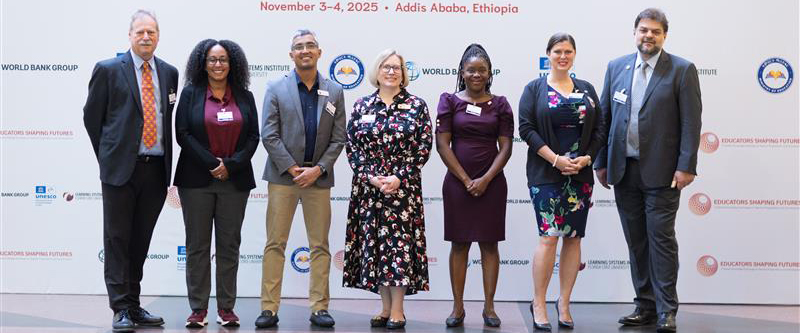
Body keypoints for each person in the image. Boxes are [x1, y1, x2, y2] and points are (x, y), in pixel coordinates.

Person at [595, 8, 701, 333]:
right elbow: (604, 118)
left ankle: (667, 309)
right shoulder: (616, 67)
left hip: (665, 173)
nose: (648, 36)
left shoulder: (682, 70)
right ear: (635, 32)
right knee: (636, 242)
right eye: (643, 30)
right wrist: (600, 160)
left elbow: (690, 123)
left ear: (664, 35)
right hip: (624, 171)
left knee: (661, 241)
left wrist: (687, 166)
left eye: (655, 31)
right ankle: (645, 306)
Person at [82, 10, 177, 332]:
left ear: (158, 36)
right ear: (130, 35)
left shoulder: (169, 73)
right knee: (117, 240)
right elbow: (92, 118)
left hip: (156, 171)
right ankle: (119, 308)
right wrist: (109, 156)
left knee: (140, 242)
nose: (146, 37)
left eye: (151, 32)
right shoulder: (109, 70)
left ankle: (134, 306)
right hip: (120, 171)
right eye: (140, 32)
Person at [256, 29, 346, 329]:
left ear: (319, 52)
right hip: (284, 178)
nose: (304, 50)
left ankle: (319, 307)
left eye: (310, 46)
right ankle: (269, 308)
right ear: (291, 54)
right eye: (298, 47)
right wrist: (293, 168)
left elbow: (338, 138)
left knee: (319, 245)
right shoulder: (275, 87)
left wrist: (317, 169)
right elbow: (268, 133)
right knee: (275, 244)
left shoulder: (334, 91)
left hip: (318, 179)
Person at [518, 33, 605, 331]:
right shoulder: (534, 89)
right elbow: (527, 129)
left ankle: (564, 302)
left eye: (568, 51)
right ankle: (539, 303)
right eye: (557, 51)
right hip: (546, 174)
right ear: (548, 55)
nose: (563, 56)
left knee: (573, 237)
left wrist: (587, 158)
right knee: (549, 236)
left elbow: (600, 130)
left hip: (579, 174)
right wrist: (555, 159)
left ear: (574, 55)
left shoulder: (587, 89)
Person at [342, 49, 432, 330]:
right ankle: (383, 307)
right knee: (377, 249)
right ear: (377, 71)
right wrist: (369, 177)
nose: (391, 71)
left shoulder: (417, 105)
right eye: (386, 66)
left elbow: (423, 146)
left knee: (399, 249)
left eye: (397, 67)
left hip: (402, 191)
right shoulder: (361, 105)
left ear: (404, 74)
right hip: (369, 192)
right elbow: (352, 146)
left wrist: (399, 177)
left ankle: (398, 309)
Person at [173, 39, 259, 328]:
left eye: (223, 60)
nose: (218, 65)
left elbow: (253, 138)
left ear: (232, 63)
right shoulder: (190, 93)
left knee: (229, 246)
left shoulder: (245, 96)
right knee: (197, 245)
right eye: (212, 59)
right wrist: (212, 163)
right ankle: (198, 310)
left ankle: (226, 310)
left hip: (234, 182)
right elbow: (182, 134)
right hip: (196, 180)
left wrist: (230, 165)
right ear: (203, 63)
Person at [435, 44, 513, 328]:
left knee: (489, 245)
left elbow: (505, 148)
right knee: (459, 244)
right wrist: (467, 180)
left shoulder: (501, 105)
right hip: (458, 184)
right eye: (471, 70)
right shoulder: (449, 101)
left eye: (482, 70)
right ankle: (458, 308)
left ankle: (489, 308)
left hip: (492, 184)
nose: (476, 74)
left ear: (489, 73)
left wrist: (486, 179)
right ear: (462, 72)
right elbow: (442, 145)